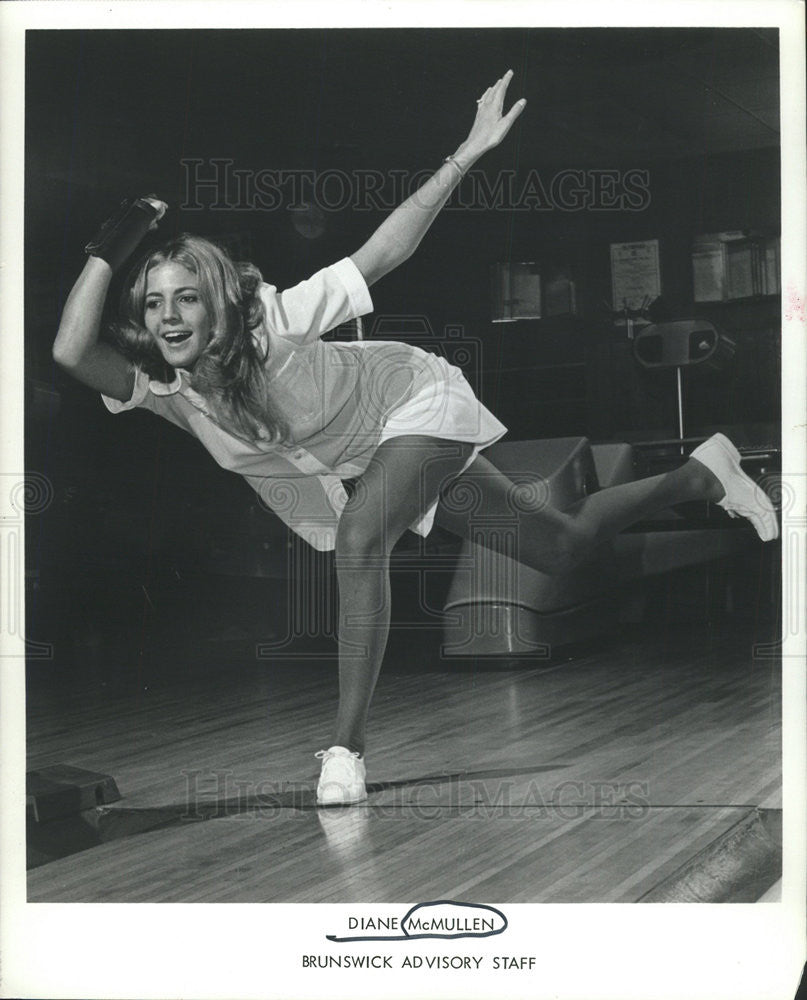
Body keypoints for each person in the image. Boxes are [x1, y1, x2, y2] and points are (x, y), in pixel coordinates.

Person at [53, 71, 778, 806]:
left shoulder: (275, 323)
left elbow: (383, 254)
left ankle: (345, 749)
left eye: (186, 297)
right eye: (153, 304)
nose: (169, 317)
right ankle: (700, 474)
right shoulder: (170, 394)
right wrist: (111, 246)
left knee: (362, 539)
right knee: (557, 547)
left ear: (218, 305)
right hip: (373, 453)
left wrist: (465, 153)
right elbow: (71, 353)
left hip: (412, 400)